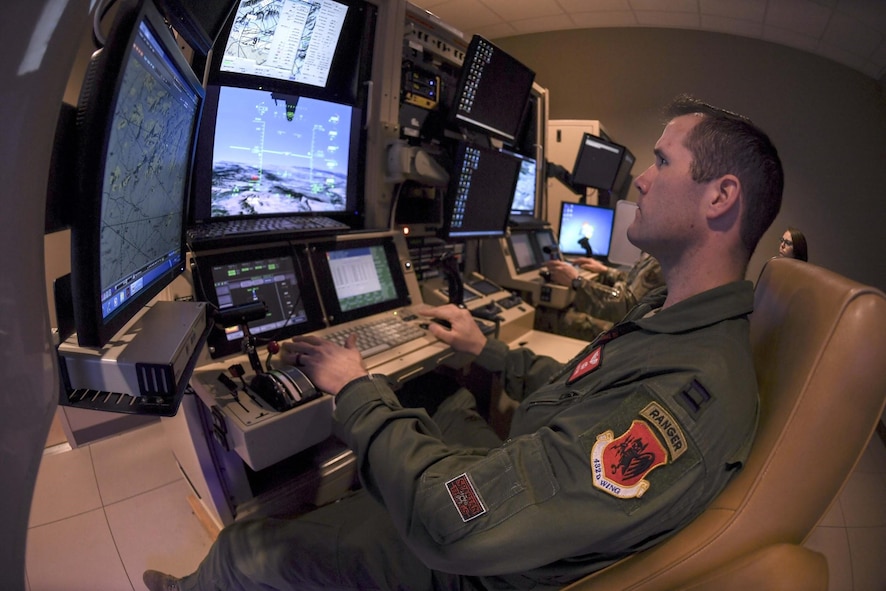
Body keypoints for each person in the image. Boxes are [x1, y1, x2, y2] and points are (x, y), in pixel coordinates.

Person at [144, 95, 784, 591]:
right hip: (532, 473)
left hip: (475, 571)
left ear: (721, 197)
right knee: (441, 391)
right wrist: (489, 349)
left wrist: (359, 390)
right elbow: (585, 384)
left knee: (244, 544)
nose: (641, 180)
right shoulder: (675, 320)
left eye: (662, 161)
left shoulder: (683, 399)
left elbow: (452, 524)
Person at [534, 252, 664, 340]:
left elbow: (626, 307)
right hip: (633, 323)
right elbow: (632, 281)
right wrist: (605, 271)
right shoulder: (656, 251)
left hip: (627, 329)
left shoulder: (659, 258)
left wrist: (577, 282)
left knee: (549, 314)